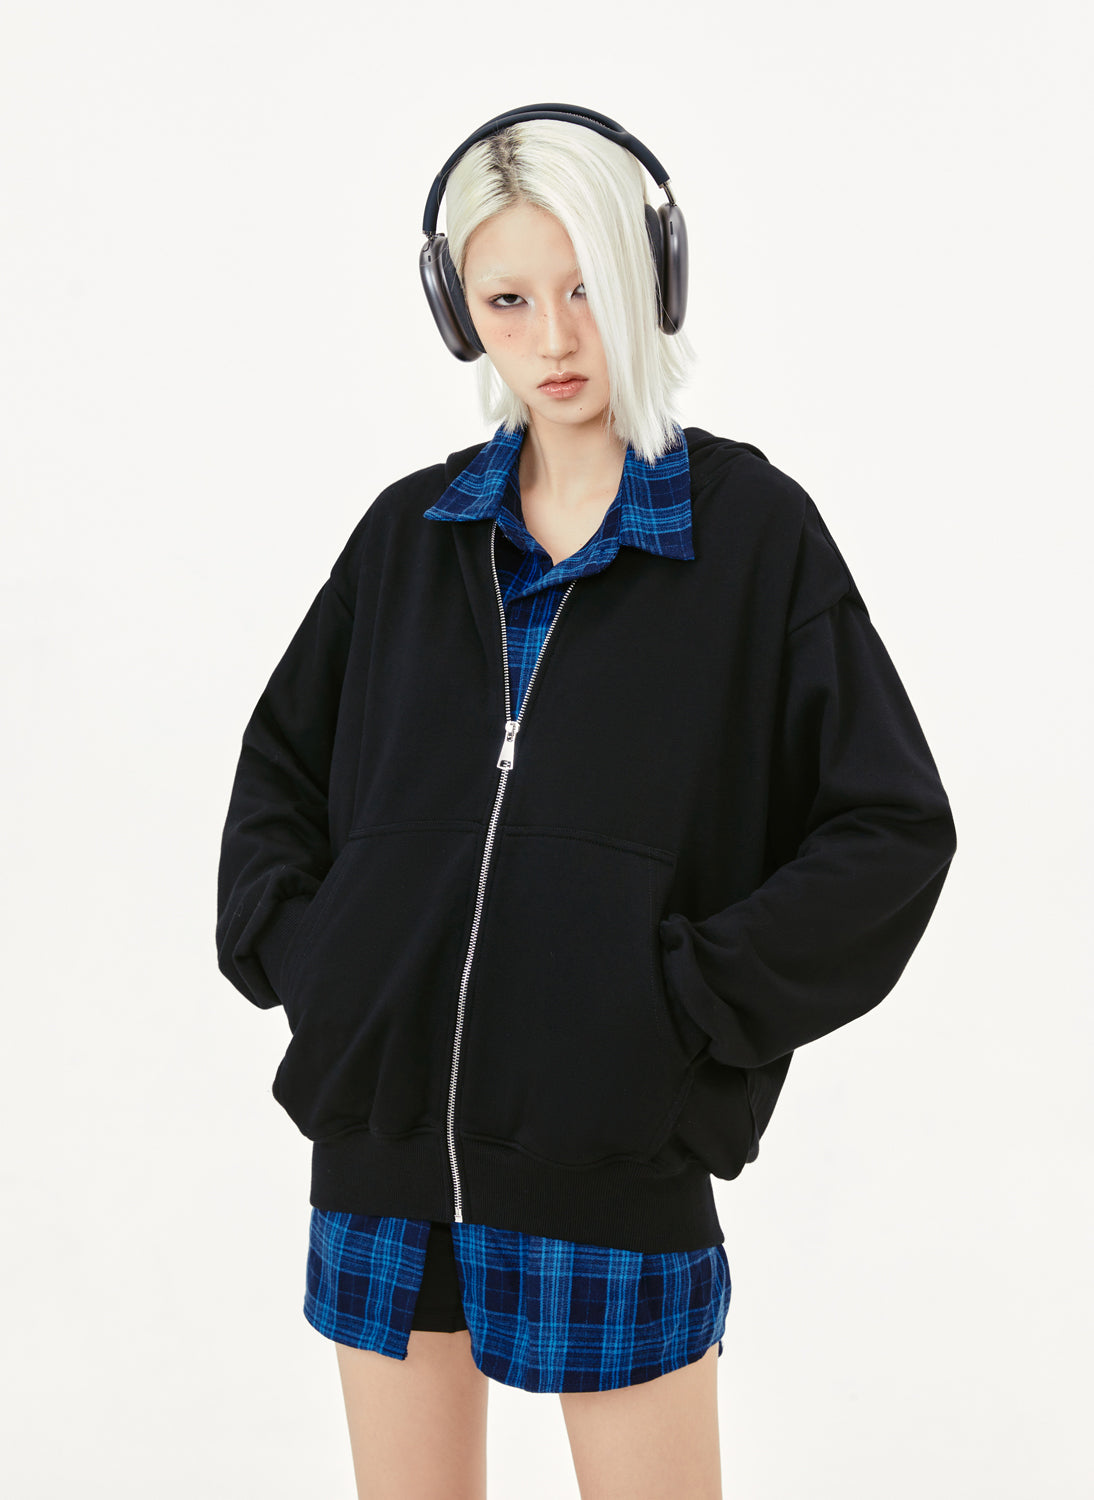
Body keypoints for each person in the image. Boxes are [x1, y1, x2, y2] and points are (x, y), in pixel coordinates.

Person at [216, 103, 957, 1500]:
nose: (554, 339)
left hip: (611, 1154)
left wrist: (678, 1004)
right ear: (458, 312)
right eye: (507, 300)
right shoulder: (409, 536)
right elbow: (277, 780)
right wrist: (325, 964)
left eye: (585, 291)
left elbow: (890, 829)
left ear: (648, 283)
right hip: (381, 1157)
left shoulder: (749, 535)